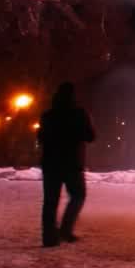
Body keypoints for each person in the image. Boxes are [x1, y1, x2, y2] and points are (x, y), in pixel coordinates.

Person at [37, 82, 95, 248]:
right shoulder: (80, 113)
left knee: (50, 201)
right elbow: (90, 136)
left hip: (50, 163)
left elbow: (40, 137)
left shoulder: (48, 115)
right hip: (72, 163)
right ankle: (65, 229)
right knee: (78, 195)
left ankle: (49, 238)